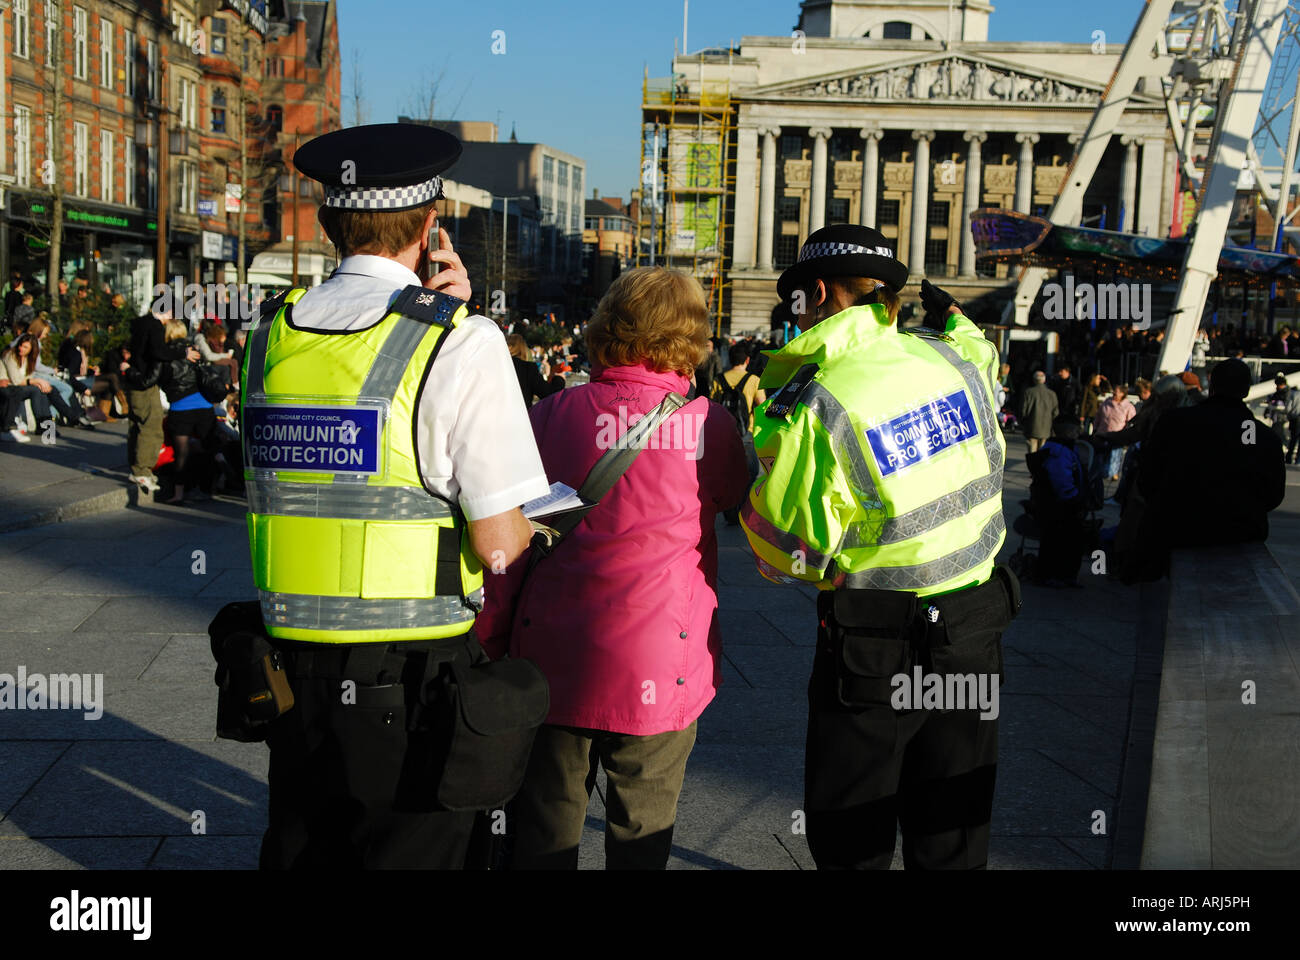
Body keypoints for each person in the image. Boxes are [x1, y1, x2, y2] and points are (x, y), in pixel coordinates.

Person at [239, 122, 550, 870]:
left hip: (285, 668)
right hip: (410, 683)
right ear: (431, 225)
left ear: (326, 222)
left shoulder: (270, 336)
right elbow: (499, 543)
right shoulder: (461, 342)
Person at [740, 224, 1020, 870]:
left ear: (815, 295)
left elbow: (783, 553)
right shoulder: (956, 362)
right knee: (953, 835)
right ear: (893, 297)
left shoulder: (819, 402)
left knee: (853, 840)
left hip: (873, 652)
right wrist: (960, 322)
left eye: (796, 306)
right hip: (973, 635)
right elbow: (983, 355)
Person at [482, 267, 748, 870]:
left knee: (544, 829)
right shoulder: (708, 425)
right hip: (660, 663)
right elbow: (734, 496)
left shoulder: (553, 414)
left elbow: (518, 535)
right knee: (643, 834)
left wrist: (490, 637)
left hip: (554, 658)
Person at [1138, 359, 1285, 560]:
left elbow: (1147, 480)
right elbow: (1273, 495)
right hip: (1241, 537)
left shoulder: (1174, 423)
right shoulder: (1266, 439)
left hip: (1179, 533)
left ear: (1212, 386)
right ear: (1246, 391)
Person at [158, 319, 217, 504]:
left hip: (180, 407)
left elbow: (163, 378)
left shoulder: (167, 354)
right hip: (203, 405)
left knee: (181, 453)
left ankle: (178, 493)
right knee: (207, 449)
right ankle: (206, 489)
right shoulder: (194, 350)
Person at [1027, 417, 1088, 587]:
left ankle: (1059, 574)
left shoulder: (1059, 448)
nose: (1078, 433)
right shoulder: (1059, 451)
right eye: (1076, 430)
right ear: (1067, 432)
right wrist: (1073, 498)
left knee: (1058, 540)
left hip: (1055, 504)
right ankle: (1053, 575)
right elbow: (1061, 480)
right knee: (1059, 540)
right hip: (1059, 505)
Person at [122, 305, 171, 494]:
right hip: (145, 384)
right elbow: (158, 352)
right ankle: (142, 469)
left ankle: (138, 467)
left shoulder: (140, 325)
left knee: (137, 425)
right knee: (150, 425)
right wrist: (182, 353)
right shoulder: (154, 326)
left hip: (138, 383)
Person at [715, 341, 765, 524]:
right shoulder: (754, 380)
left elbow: (713, 403)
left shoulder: (719, 378)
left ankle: (729, 508)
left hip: (723, 432)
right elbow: (761, 406)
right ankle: (741, 507)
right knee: (749, 472)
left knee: (726, 470)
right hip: (747, 433)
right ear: (747, 360)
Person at [1, 333, 90, 430]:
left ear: (32, 349)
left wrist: (37, 382)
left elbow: (28, 376)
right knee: (38, 389)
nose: (21, 348)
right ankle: (45, 425)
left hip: (23, 385)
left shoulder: (29, 359)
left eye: (25, 347)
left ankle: (69, 418)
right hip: (13, 386)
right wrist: (37, 381)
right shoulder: (11, 356)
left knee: (51, 389)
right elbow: (16, 380)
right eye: (21, 345)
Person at [1093, 383, 1135, 479]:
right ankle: (1100, 473)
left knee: (1114, 457)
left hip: (1117, 436)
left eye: (1118, 391)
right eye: (1114, 391)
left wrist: (1126, 435)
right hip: (1102, 433)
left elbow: (1131, 422)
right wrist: (1095, 429)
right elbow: (1098, 416)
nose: (1114, 393)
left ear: (1123, 394)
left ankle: (1113, 473)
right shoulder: (1106, 402)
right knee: (1100, 456)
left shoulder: (1128, 407)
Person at [506, 333, 559, 406]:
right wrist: (559, 379)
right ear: (522, 349)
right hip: (519, 414)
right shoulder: (527, 368)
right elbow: (547, 393)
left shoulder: (495, 365)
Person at [1020, 370, 1057, 453]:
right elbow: (1055, 412)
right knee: (1043, 450)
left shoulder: (1029, 392)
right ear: (1044, 380)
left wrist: (1023, 422)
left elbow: (1024, 410)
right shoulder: (1051, 394)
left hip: (1032, 426)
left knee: (1032, 450)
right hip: (1047, 426)